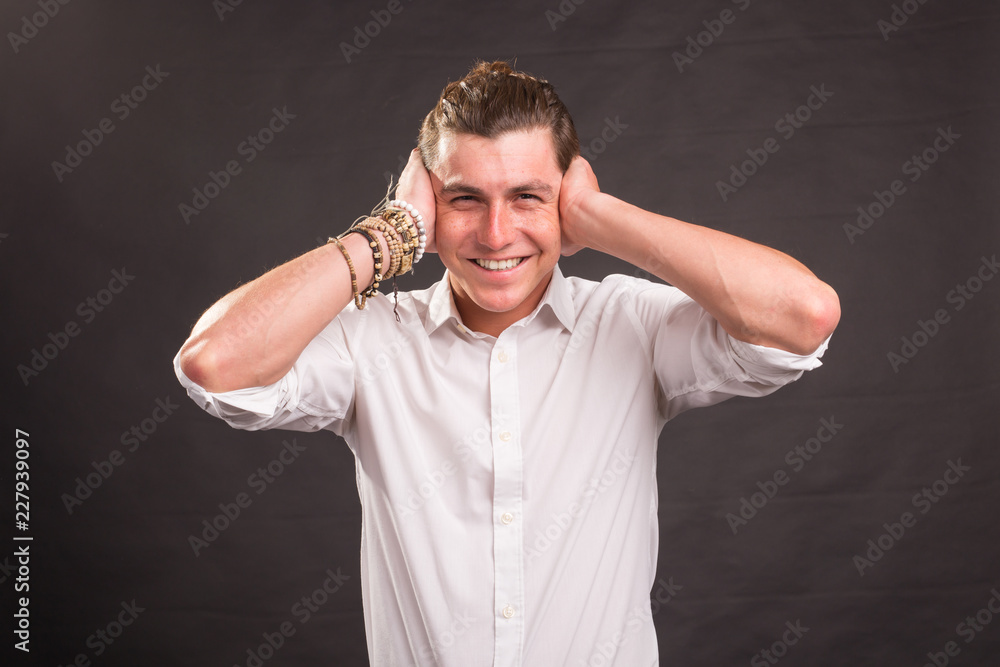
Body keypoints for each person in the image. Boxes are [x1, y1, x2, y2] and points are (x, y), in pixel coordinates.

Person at [174, 60, 840, 666]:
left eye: (528, 196)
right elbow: (216, 362)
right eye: (465, 198)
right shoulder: (371, 341)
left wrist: (598, 215)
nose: (497, 235)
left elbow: (803, 316)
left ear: (563, 199)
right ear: (429, 205)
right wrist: (389, 232)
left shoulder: (629, 325)